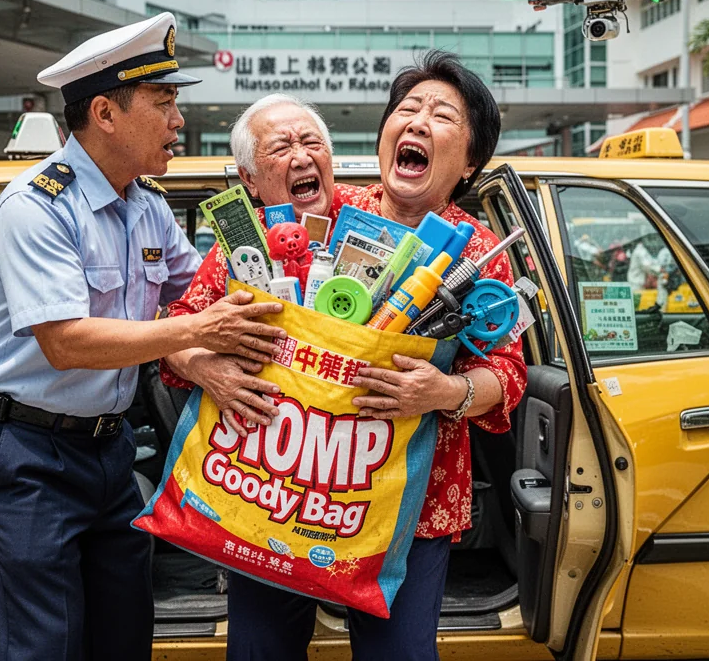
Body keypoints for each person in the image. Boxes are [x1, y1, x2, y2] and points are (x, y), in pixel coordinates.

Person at [0, 13, 287, 661]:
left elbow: (198, 295)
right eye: (164, 104)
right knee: (41, 645)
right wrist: (199, 333)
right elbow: (67, 342)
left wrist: (204, 354)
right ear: (105, 113)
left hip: (109, 450)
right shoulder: (37, 208)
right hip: (24, 452)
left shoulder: (148, 206)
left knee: (125, 632)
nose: (178, 121)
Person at [220, 51, 527, 660]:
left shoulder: (481, 253)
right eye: (407, 109)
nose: (417, 122)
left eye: (443, 115)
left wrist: (445, 392)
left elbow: (508, 372)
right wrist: (210, 365)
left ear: (470, 162)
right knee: (261, 650)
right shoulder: (325, 212)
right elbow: (192, 320)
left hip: (408, 504)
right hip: (280, 488)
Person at [161, 92, 352, 434]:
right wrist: (204, 368)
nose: (301, 158)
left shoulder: (368, 213)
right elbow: (178, 327)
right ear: (249, 179)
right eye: (281, 148)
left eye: (312, 142)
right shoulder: (242, 241)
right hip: (267, 442)